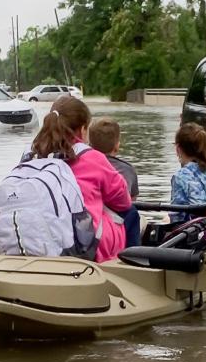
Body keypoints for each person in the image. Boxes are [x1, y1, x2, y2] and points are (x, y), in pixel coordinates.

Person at [29, 96, 134, 261]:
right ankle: (134, 265)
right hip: (85, 247)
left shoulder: (32, 157)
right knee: (131, 213)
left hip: (38, 240)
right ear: (83, 130)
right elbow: (123, 201)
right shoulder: (93, 158)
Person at [88, 117, 139, 200]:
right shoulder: (128, 169)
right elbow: (132, 201)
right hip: (119, 211)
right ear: (117, 146)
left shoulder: (82, 165)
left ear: (90, 145)